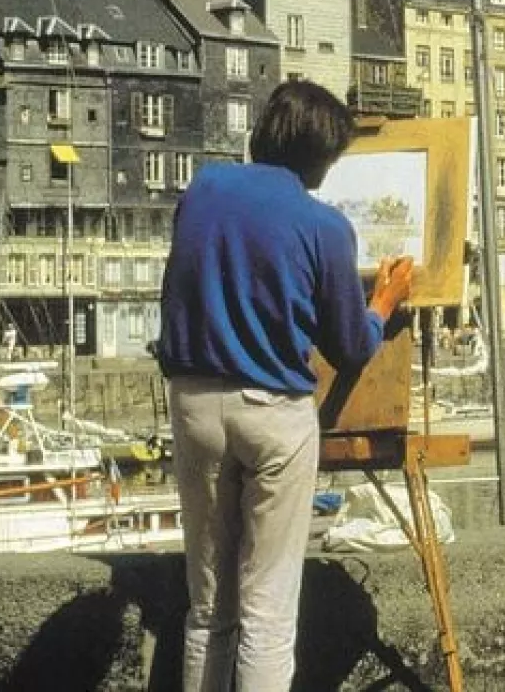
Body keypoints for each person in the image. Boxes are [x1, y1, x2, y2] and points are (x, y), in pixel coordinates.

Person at [157, 80, 413, 692]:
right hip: (272, 412)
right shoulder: (323, 224)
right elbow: (349, 345)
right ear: (322, 155)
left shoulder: (204, 188)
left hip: (194, 401)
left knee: (208, 610)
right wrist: (380, 304)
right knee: (266, 614)